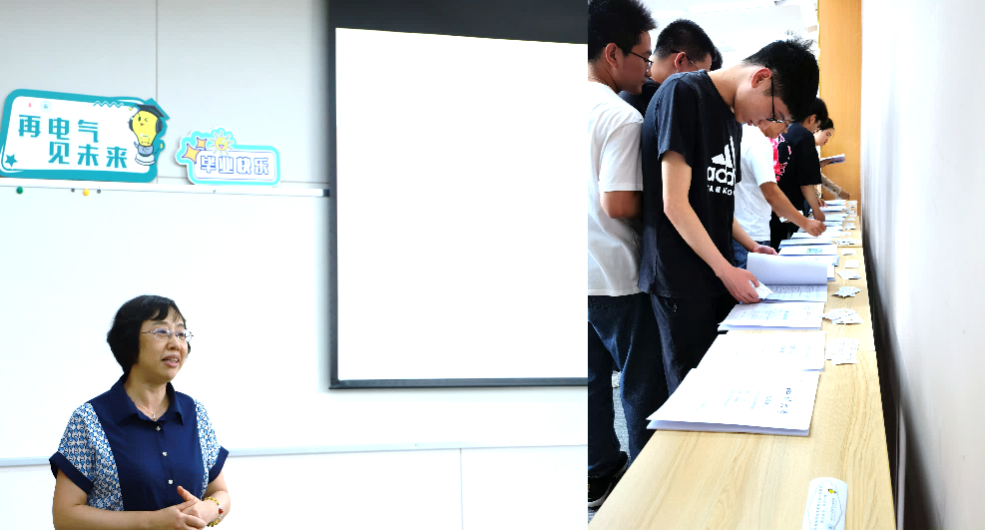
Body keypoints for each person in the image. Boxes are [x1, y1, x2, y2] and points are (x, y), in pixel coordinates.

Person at [639, 38, 819, 394]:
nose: (765, 124)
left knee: (721, 384)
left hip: (715, 272)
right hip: (681, 278)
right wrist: (726, 269)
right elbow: (674, 203)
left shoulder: (732, 120)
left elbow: (716, 202)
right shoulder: (684, 92)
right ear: (761, 78)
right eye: (774, 115)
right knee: (692, 392)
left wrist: (751, 246)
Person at [51, 295, 230, 529]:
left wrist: (209, 509)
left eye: (181, 333)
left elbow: (220, 493)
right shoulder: (89, 419)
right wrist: (152, 522)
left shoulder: (195, 413)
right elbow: (65, 517)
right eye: (162, 332)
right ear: (129, 341)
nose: (176, 343)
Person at [587, 0, 667, 510]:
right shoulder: (618, 114)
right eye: (643, 56)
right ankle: (648, 491)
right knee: (640, 384)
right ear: (613, 54)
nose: (648, 68)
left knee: (590, 382)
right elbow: (617, 203)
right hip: (613, 272)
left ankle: (597, 475)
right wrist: (665, 199)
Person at [733, 121, 826, 268]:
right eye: (785, 124)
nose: (785, 131)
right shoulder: (759, 143)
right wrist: (805, 223)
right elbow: (771, 193)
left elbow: (755, 188)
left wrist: (783, 213)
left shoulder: (741, 133)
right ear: (772, 117)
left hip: (740, 229)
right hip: (752, 231)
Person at [619, 19, 716, 117]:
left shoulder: (631, 89)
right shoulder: (660, 98)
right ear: (680, 61)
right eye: (699, 75)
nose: (700, 84)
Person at [769, 97, 829, 249]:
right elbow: (806, 182)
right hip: (790, 207)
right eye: (817, 127)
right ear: (812, 118)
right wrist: (816, 211)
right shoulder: (804, 135)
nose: (815, 131)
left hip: (772, 206)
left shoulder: (784, 130)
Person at [814, 118, 850, 200]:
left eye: (829, 136)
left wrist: (838, 191)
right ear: (817, 129)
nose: (827, 139)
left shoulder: (813, 149)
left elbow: (815, 174)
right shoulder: (806, 147)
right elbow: (805, 176)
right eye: (827, 134)